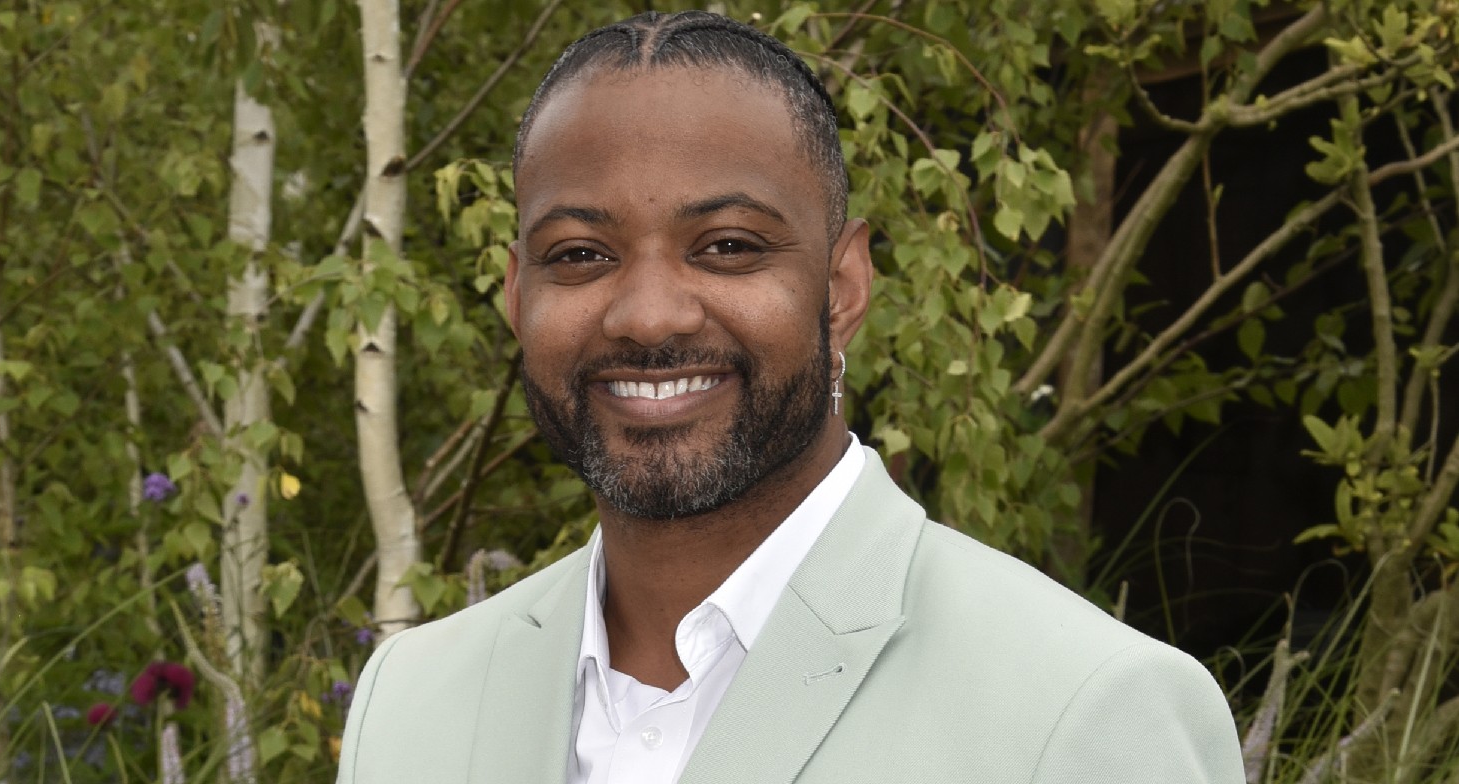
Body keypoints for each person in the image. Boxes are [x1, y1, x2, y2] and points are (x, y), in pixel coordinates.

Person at [336, 10, 1246, 784]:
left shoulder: (1083, 709)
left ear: (842, 289)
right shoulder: (410, 703)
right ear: (517, 297)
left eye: (728, 245)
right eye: (580, 254)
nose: (648, 315)